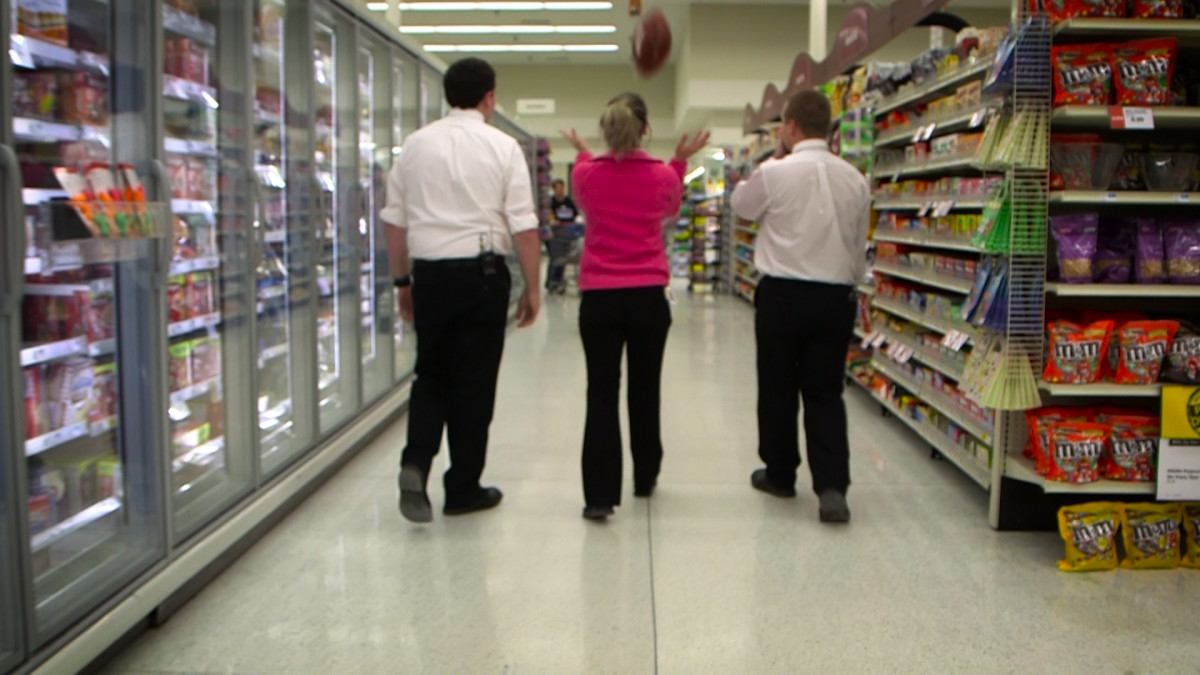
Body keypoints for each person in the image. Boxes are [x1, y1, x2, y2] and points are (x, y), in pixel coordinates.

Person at [380, 57, 541, 523]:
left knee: (431, 373)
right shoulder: (503, 146)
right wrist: (533, 288)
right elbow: (524, 227)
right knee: (474, 383)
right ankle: (463, 488)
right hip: (482, 276)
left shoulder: (414, 146)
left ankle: (416, 462)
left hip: (429, 273)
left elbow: (394, 222)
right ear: (489, 97)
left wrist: (402, 283)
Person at [560, 93, 709, 521]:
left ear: (605, 129)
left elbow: (590, 198)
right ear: (646, 130)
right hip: (648, 296)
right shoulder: (662, 175)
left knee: (601, 393)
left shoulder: (584, 173)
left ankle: (599, 496)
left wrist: (584, 154)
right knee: (645, 389)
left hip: (599, 298)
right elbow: (670, 208)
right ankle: (645, 475)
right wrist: (679, 161)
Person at [729, 90, 871, 524]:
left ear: (789, 128)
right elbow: (859, 241)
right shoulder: (855, 178)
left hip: (783, 295)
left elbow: (741, 207)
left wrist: (771, 159)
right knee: (825, 391)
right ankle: (832, 487)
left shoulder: (774, 172)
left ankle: (780, 474)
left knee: (777, 387)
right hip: (834, 298)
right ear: (829, 127)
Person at [545, 179, 578, 291]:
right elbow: (548, 217)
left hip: (567, 233)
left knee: (563, 257)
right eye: (557, 188)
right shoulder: (550, 203)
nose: (560, 190)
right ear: (554, 190)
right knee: (554, 257)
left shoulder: (569, 202)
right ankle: (551, 281)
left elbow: (575, 215)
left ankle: (559, 280)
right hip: (555, 234)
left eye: (561, 188)